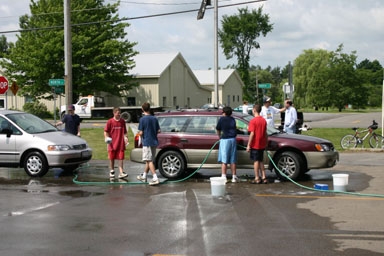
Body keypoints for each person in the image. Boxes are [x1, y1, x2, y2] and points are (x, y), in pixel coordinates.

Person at [137, 102, 161, 186]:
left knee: (149, 160)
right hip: (154, 141)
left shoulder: (142, 119)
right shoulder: (155, 118)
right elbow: (159, 130)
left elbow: (141, 132)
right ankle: (144, 175)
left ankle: (155, 178)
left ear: (142, 109)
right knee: (149, 160)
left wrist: (140, 134)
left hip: (147, 142)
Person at [104, 107, 129, 179]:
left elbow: (125, 132)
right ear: (114, 113)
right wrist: (106, 138)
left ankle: (121, 172)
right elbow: (106, 131)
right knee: (112, 158)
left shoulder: (122, 121)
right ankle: (112, 171)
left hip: (120, 143)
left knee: (121, 158)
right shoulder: (110, 121)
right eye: (117, 113)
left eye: (119, 113)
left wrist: (126, 138)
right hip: (112, 143)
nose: (119, 115)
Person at [216, 106, 239, 183]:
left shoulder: (222, 119)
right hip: (233, 139)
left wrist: (219, 136)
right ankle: (234, 177)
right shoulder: (233, 119)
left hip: (225, 140)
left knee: (224, 159)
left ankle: (223, 176)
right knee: (233, 159)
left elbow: (218, 129)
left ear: (224, 113)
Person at [247, 104, 268, 184]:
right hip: (262, 144)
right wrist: (266, 143)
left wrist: (249, 145)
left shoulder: (253, 121)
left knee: (256, 161)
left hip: (255, 144)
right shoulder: (263, 120)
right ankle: (264, 177)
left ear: (254, 110)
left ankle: (257, 178)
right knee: (261, 160)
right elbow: (266, 133)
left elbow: (252, 134)